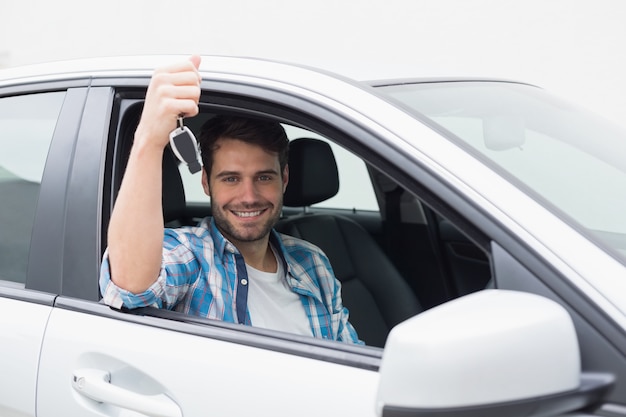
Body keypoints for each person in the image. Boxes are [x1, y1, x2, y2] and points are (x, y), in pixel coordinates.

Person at [99, 56, 361, 344]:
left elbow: (351, 356)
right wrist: (149, 139)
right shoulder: (192, 256)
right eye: (231, 178)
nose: (249, 197)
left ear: (284, 178)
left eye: (263, 177)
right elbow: (130, 287)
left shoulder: (312, 262)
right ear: (206, 182)